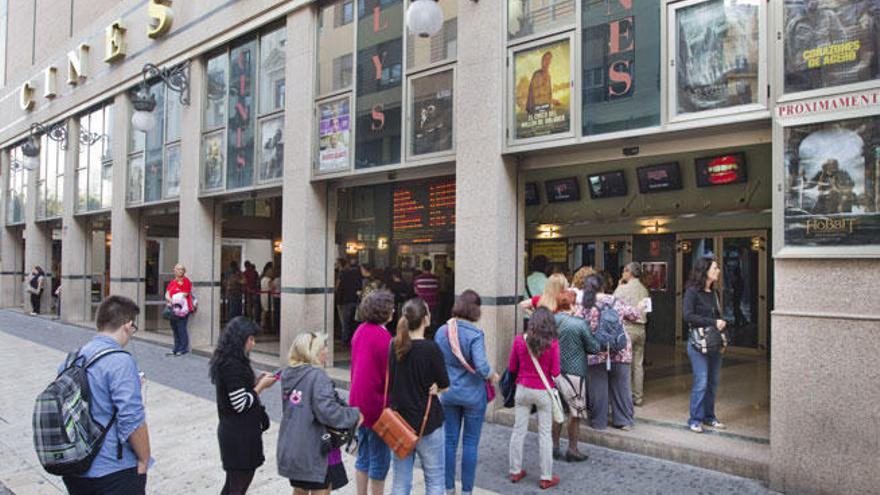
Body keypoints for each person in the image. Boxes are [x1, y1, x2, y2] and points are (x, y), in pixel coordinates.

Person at [60, 296, 151, 495]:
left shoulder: (73, 357)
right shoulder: (120, 361)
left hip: (75, 465)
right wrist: (144, 459)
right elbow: (132, 419)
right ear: (127, 326)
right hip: (112, 468)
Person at [278, 332, 363, 494]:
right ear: (312, 352)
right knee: (322, 490)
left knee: (299, 489)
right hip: (316, 449)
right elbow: (328, 412)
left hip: (294, 447)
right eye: (323, 347)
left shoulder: (289, 373)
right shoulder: (317, 376)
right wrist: (354, 415)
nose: (326, 351)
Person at [434, 290, 499, 495]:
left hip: (448, 393)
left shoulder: (442, 331)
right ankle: (467, 491)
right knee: (470, 443)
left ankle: (448, 487)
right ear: (475, 309)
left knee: (449, 441)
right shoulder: (475, 334)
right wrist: (492, 375)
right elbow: (481, 366)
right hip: (472, 396)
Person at [209, 317, 277, 495]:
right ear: (241, 339)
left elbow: (237, 392)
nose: (253, 344)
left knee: (232, 485)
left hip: (235, 433)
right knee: (238, 485)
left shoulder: (228, 360)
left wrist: (255, 382)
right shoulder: (233, 365)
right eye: (251, 339)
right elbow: (239, 404)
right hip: (239, 437)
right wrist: (261, 387)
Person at [389, 298, 450, 495]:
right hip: (427, 422)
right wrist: (437, 388)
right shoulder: (431, 349)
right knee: (434, 479)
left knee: (400, 481)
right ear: (425, 319)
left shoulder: (394, 345)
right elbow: (445, 384)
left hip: (399, 422)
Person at [507, 307, 561, 490]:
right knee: (545, 435)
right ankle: (545, 477)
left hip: (522, 389)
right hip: (543, 392)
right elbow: (555, 372)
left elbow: (512, 367)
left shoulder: (519, 341)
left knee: (518, 430)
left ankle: (515, 470)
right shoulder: (552, 344)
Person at [348, 290, 395, 495]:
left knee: (363, 457)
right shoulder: (385, 339)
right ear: (385, 312)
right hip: (378, 406)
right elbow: (390, 377)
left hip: (358, 403)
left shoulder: (360, 331)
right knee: (380, 460)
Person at [582, 275, 641, 431]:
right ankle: (624, 421)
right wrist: (640, 306)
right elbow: (635, 315)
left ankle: (599, 422)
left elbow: (578, 322)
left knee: (597, 387)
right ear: (603, 286)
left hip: (596, 351)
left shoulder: (586, 305)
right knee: (622, 386)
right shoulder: (616, 300)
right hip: (620, 350)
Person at [552, 291, 599, 462]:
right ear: (572, 305)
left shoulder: (550, 320)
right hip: (575, 374)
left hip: (554, 372)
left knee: (556, 411)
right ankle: (572, 448)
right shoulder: (579, 324)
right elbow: (594, 347)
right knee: (576, 413)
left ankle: (554, 446)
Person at [683, 257, 727, 434]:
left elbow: (717, 317)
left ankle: (709, 417)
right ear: (705, 271)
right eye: (715, 268)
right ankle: (695, 419)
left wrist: (720, 325)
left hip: (714, 343)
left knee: (713, 382)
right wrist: (713, 322)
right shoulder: (692, 292)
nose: (718, 271)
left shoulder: (714, 294)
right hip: (698, 344)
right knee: (701, 381)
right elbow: (687, 316)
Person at [613, 262, 650, 407]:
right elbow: (647, 310)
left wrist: (618, 285)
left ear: (629, 272)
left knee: (625, 363)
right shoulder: (644, 289)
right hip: (641, 329)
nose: (622, 274)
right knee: (638, 363)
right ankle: (638, 397)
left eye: (624, 271)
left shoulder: (623, 289)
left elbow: (613, 303)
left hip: (627, 328)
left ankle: (626, 395)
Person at [165, 263, 194, 357]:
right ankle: (176, 348)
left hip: (183, 309)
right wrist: (170, 299)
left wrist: (172, 299)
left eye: (181, 269)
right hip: (173, 308)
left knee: (181, 328)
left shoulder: (186, 281)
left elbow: (185, 294)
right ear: (174, 271)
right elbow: (167, 293)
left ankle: (183, 348)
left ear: (184, 271)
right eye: (177, 269)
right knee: (175, 329)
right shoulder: (172, 282)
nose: (179, 271)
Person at [334, 259, 362, 345]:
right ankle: (352, 339)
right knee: (354, 321)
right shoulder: (357, 274)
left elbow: (337, 286)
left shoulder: (342, 273)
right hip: (355, 299)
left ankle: (344, 340)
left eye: (337, 264)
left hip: (343, 300)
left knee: (344, 322)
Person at [412, 259, 440, 328]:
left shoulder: (417, 279)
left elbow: (416, 291)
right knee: (434, 324)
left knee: (422, 324)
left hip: (422, 305)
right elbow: (438, 290)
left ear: (422, 267)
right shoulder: (436, 279)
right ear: (431, 267)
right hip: (434, 305)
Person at [260, 262, 274, 330]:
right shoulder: (269, 280)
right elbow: (272, 288)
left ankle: (263, 324)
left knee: (264, 310)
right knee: (270, 311)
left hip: (263, 295)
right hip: (268, 296)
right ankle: (271, 325)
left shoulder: (262, 279)